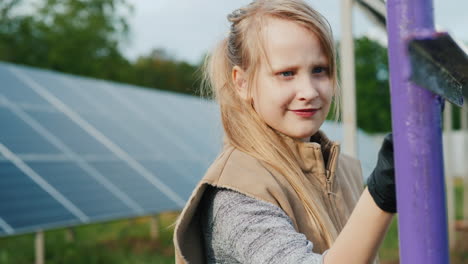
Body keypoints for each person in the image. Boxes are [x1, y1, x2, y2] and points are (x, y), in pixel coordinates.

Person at [173, 0, 396, 263]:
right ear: (242, 83)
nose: (309, 91)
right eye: (286, 73)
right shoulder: (236, 196)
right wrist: (380, 195)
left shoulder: (344, 170)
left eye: (319, 70)